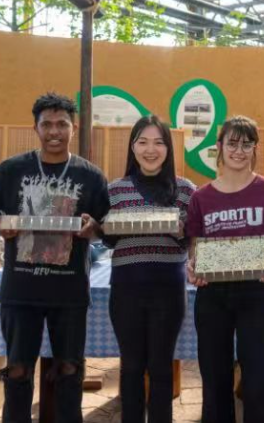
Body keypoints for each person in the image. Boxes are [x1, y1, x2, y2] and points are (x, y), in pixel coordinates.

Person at [0, 92, 109, 423]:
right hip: (20, 291)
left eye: (62, 124)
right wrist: (1, 227)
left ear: (73, 128)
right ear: (34, 127)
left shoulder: (89, 176)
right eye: (46, 124)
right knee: (18, 372)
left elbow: (105, 229)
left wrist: (93, 228)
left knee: (69, 371)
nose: (54, 131)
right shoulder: (10, 170)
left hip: (70, 293)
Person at [186, 115, 264, 423]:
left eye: (247, 144)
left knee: (259, 383)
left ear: (255, 148)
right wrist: (194, 265)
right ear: (219, 146)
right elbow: (196, 247)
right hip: (212, 295)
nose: (239, 150)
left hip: (256, 291)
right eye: (232, 143)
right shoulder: (200, 197)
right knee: (216, 383)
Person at [106, 115, 196, 423]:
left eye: (158, 142)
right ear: (132, 148)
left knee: (161, 367)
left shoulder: (186, 190)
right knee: (130, 366)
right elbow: (107, 240)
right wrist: (100, 227)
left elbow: (192, 243)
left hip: (168, 292)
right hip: (126, 290)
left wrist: (183, 231)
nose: (150, 149)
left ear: (168, 149)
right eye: (142, 142)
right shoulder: (114, 191)